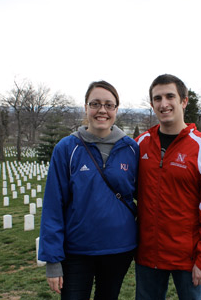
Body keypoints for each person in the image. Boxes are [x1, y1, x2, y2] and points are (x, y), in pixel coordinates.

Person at [38, 80, 139, 299]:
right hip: (77, 251)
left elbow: (148, 196)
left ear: (116, 110)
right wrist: (52, 260)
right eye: (95, 104)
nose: (102, 110)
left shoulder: (131, 149)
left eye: (108, 105)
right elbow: (53, 206)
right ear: (86, 107)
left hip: (119, 249)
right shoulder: (67, 148)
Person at [135, 74, 201, 300]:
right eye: (157, 98)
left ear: (184, 101)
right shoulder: (139, 144)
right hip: (148, 255)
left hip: (189, 258)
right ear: (152, 104)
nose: (163, 104)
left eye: (170, 96)